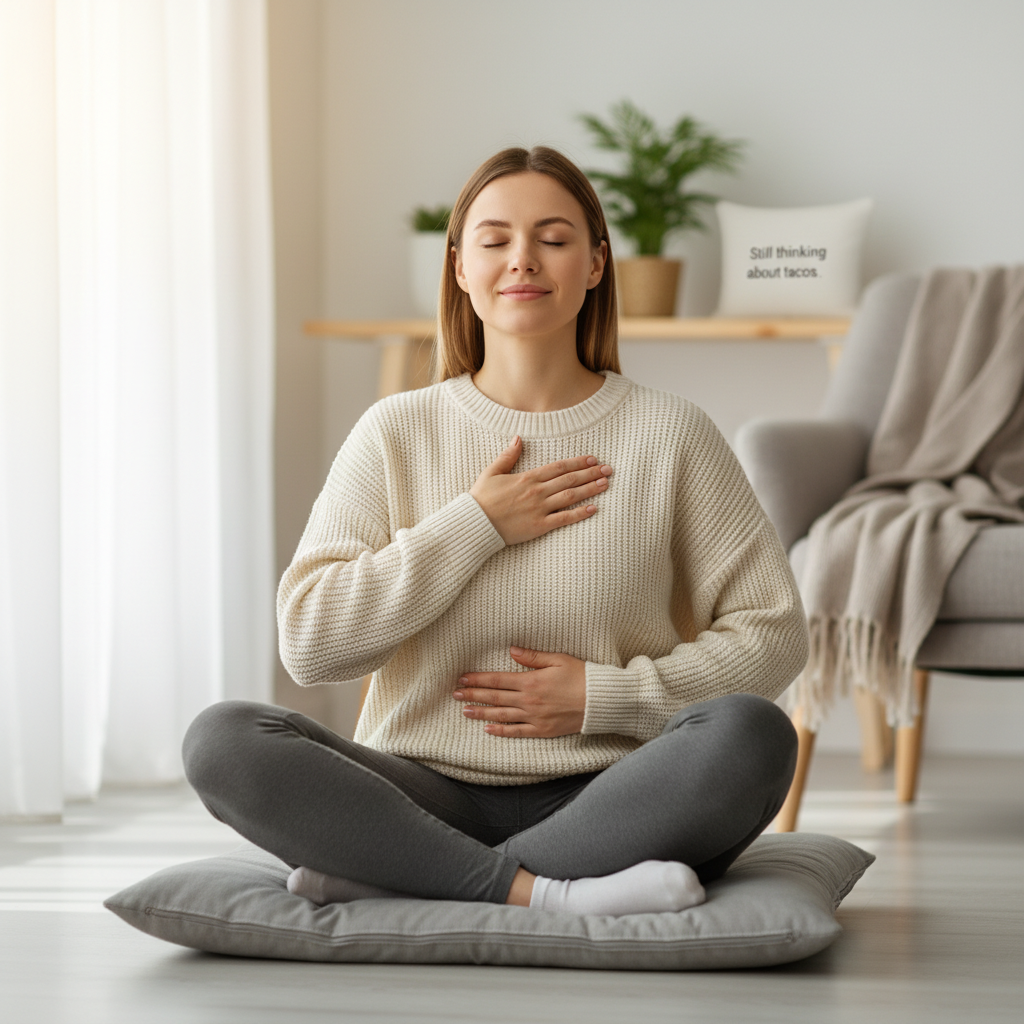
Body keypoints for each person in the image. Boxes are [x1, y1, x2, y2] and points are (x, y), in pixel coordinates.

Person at [183, 146, 808, 917]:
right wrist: (474, 525)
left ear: (595, 264)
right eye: (495, 240)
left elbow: (774, 634)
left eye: (553, 238)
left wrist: (603, 697)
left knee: (754, 735)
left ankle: (407, 875)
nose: (523, 260)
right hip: (418, 792)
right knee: (222, 740)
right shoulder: (395, 431)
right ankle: (544, 893)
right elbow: (312, 644)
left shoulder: (671, 433)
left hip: (611, 792)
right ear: (458, 266)